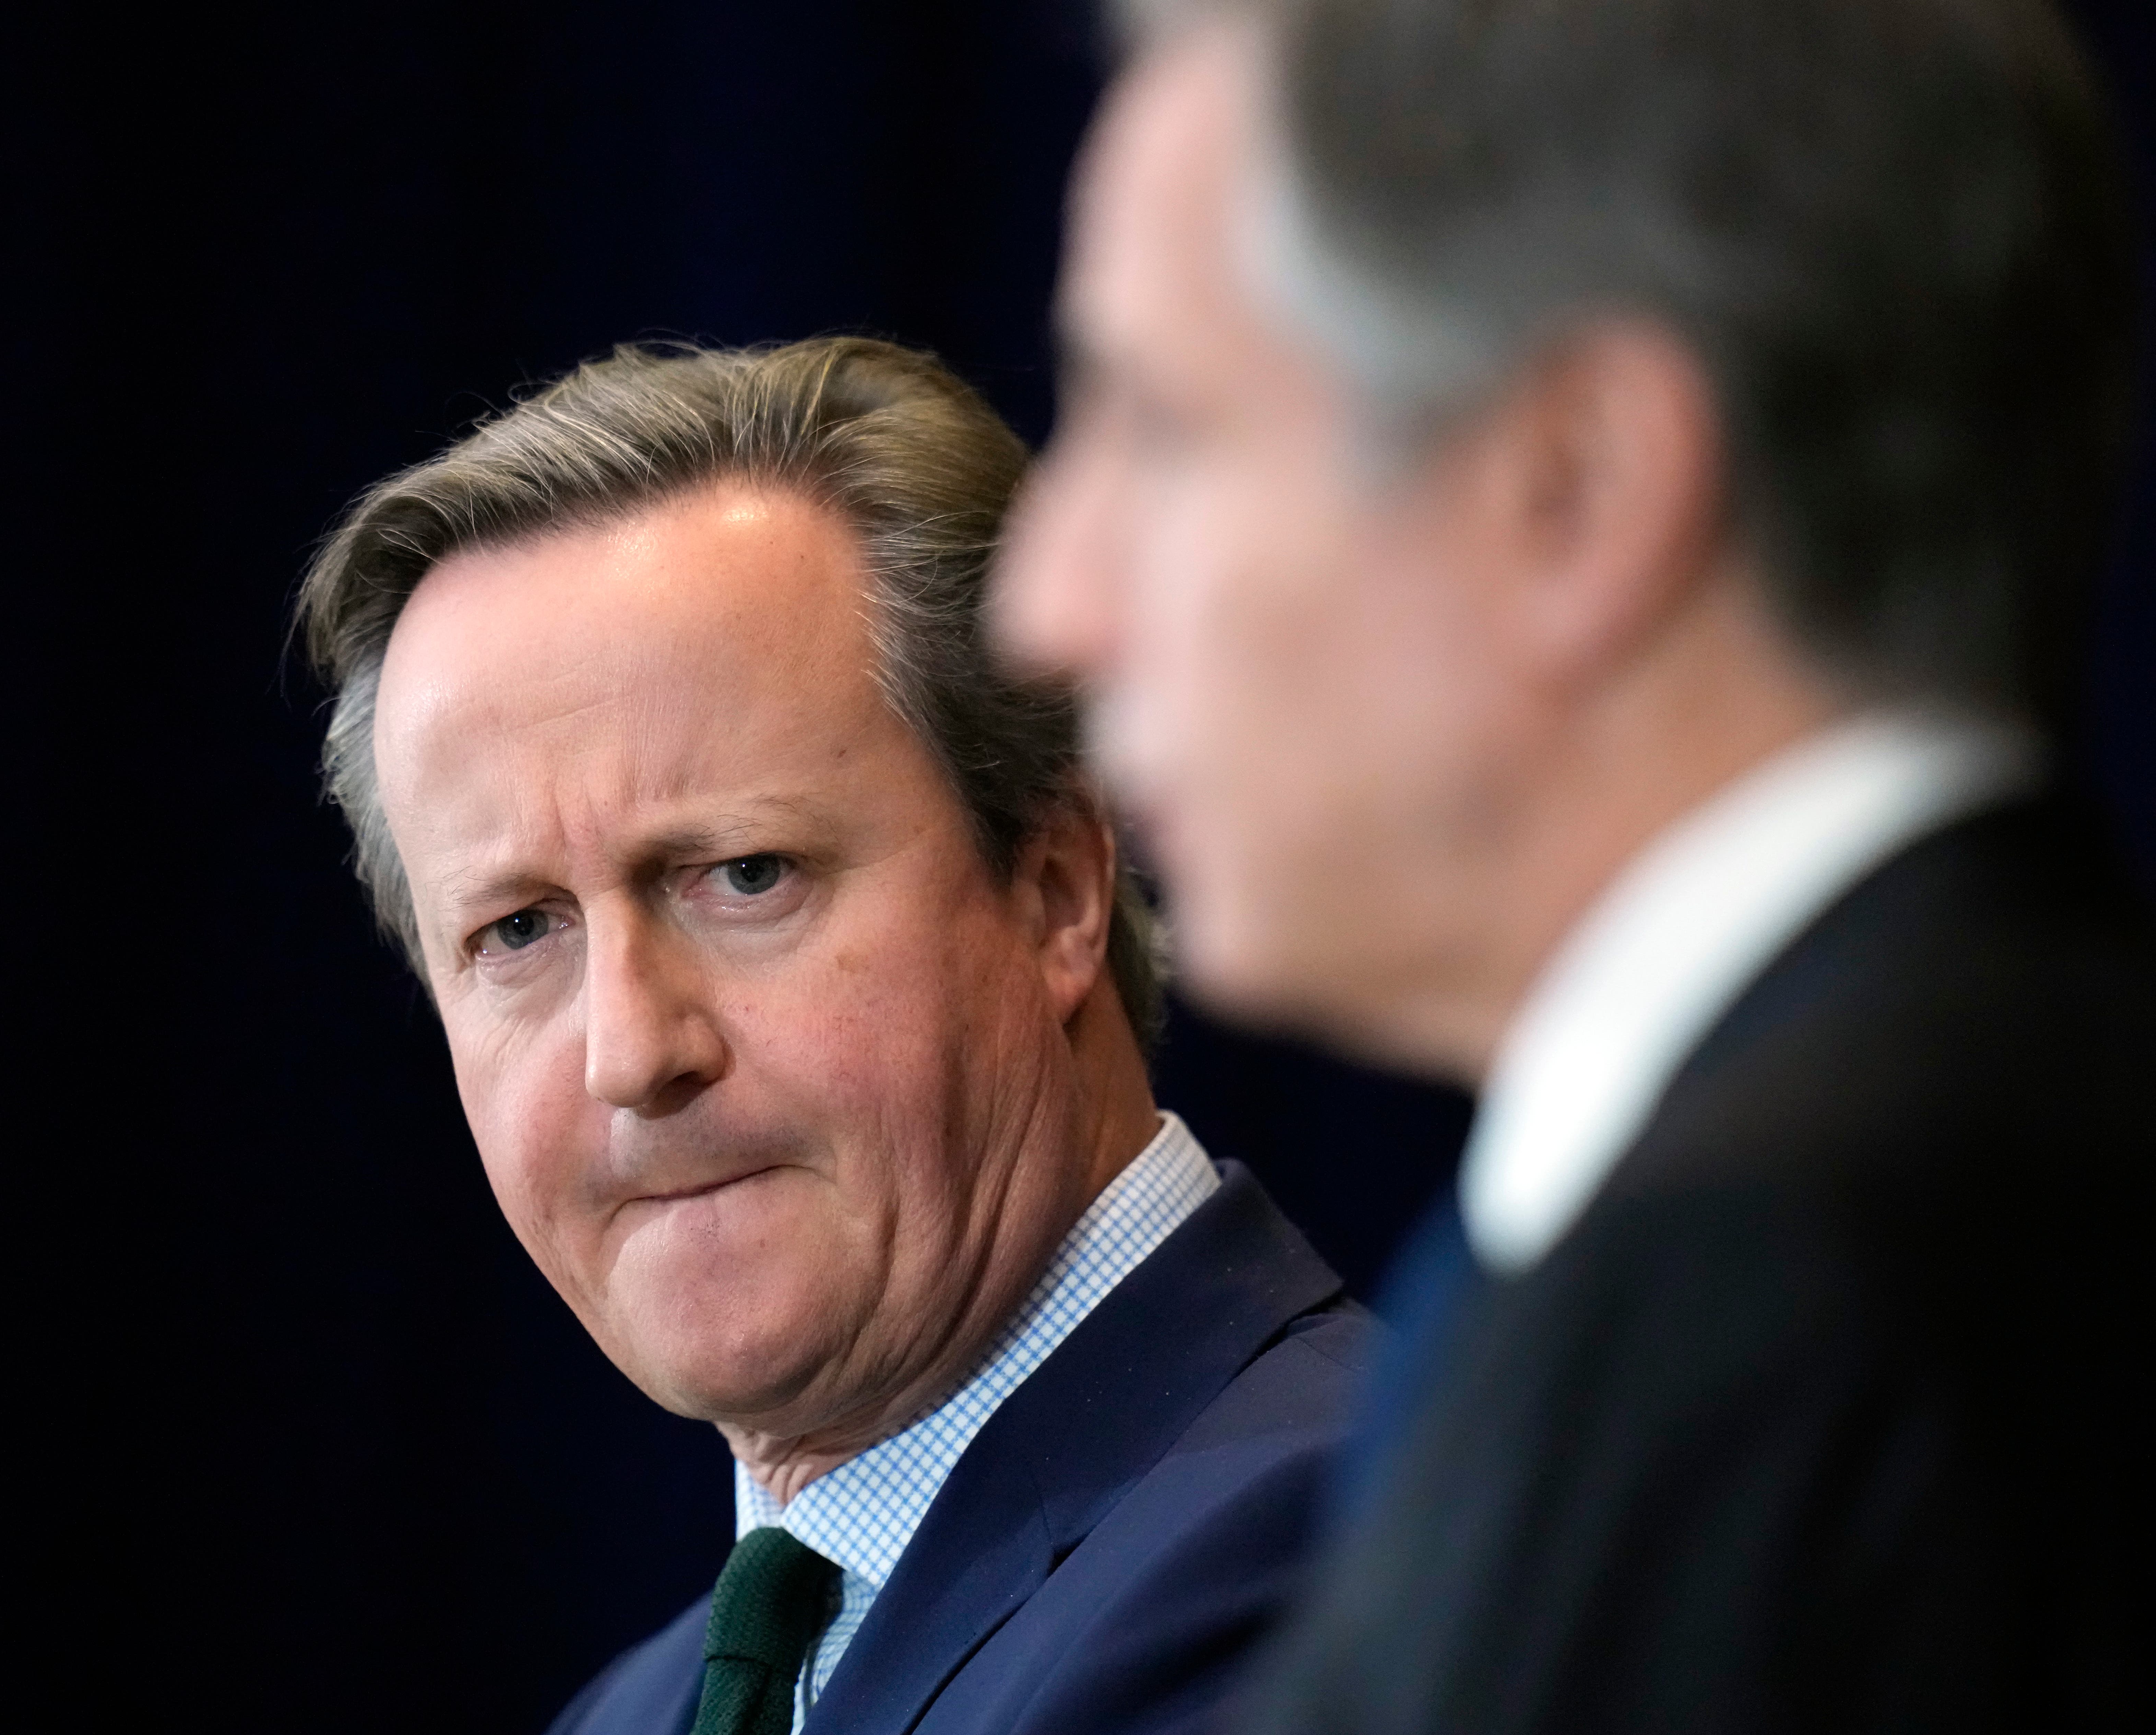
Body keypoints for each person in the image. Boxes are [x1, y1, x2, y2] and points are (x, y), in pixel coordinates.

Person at [996, 0, 2150, 1729]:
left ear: (1579, 488)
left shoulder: (1763, 1321)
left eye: (1161, 427)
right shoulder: (1917, 1191)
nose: (1046, 601)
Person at [294, 336, 1376, 1735]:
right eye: (516, 931)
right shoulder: (627, 1716)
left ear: (1055, 890)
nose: (631, 1052)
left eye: (745, 875)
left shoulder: (1344, 1547)